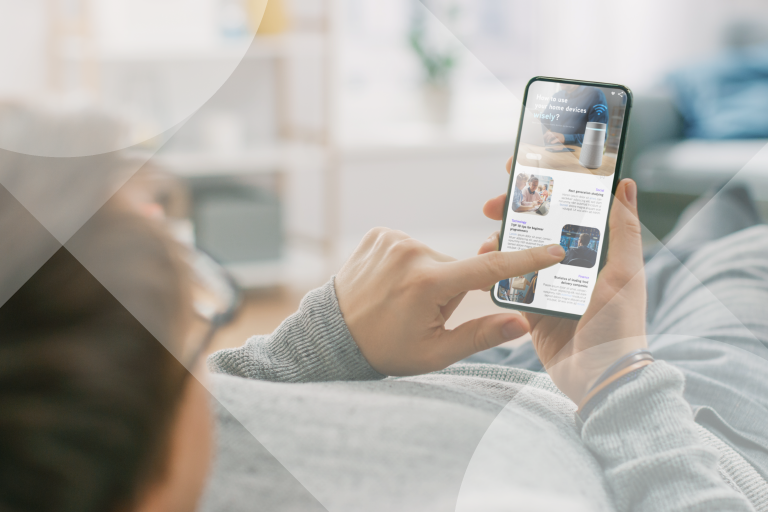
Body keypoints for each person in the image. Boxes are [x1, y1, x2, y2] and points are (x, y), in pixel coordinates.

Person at [3, 109, 767, 511]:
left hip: (543, 367)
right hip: (688, 428)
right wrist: (616, 375)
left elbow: (207, 401)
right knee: (743, 229)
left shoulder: (71, 432)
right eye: (194, 317)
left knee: (694, 235)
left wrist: (330, 339)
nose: (205, 378)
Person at [542, 84, 609, 146]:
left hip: (576, 153)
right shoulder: (557, 96)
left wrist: (565, 138)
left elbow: (599, 137)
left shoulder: (595, 95)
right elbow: (544, 121)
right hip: (551, 147)